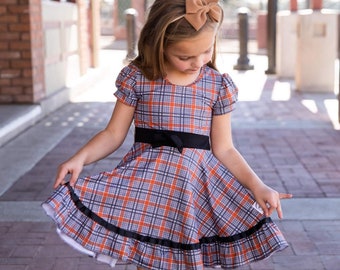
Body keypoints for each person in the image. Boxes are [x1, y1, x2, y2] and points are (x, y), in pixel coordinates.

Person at [43, 0, 292, 269]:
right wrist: (80, 158)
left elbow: (225, 149)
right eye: (184, 57)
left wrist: (258, 186)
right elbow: (113, 134)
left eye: (206, 51)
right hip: (147, 191)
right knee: (147, 262)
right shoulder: (138, 78)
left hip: (193, 193)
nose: (197, 62)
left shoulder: (217, 86)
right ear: (159, 45)